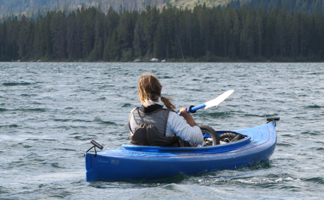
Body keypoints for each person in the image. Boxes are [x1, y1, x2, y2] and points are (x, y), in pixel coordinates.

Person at [125, 73, 204, 147]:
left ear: (140, 93)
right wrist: (188, 117)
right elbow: (198, 139)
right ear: (160, 89)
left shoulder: (133, 115)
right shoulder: (170, 116)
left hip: (142, 157)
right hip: (167, 159)